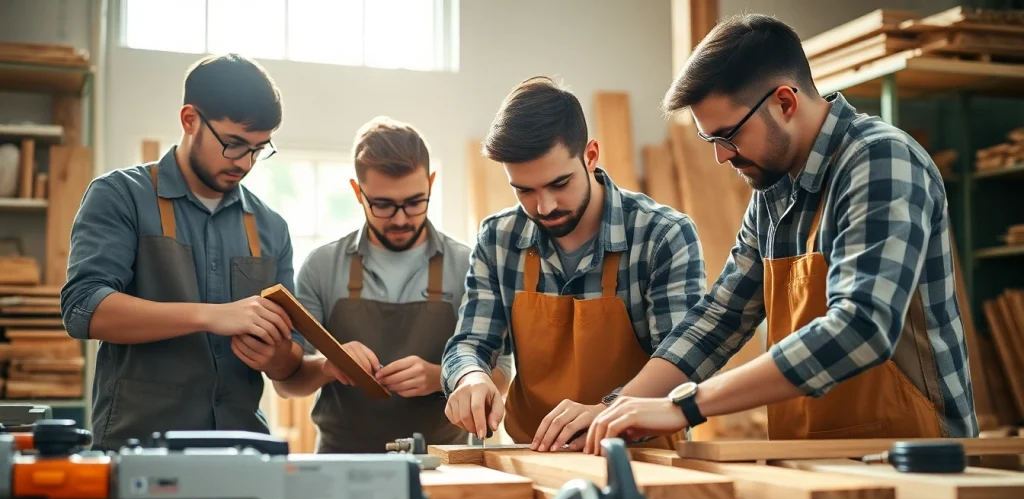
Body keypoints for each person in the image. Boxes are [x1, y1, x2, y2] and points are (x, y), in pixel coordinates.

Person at [582, 14, 979, 454]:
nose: (719, 157)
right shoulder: (774, 190)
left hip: (919, 463)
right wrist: (618, 406)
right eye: (708, 139)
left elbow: (862, 327)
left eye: (728, 135)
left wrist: (685, 406)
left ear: (785, 102)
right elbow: (722, 317)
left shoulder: (879, 160)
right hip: (812, 462)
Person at [440, 76, 706, 452]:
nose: (544, 207)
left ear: (591, 155)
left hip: (645, 458)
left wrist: (608, 411)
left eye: (559, 183)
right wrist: (470, 377)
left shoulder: (662, 236)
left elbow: (682, 362)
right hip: (535, 457)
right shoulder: (497, 239)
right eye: (525, 191)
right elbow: (469, 342)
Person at [61, 54, 304, 452]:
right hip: (138, 453)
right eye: (233, 144)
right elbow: (83, 309)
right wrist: (211, 316)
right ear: (190, 119)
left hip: (244, 454)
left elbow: (290, 364)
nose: (244, 163)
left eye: (259, 149)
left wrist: (276, 355)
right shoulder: (120, 196)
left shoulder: (270, 227)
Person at [271, 116, 513, 453]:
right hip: (342, 465)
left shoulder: (467, 265)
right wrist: (329, 366)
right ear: (358, 192)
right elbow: (290, 383)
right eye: (383, 205)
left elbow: (501, 373)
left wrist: (439, 376)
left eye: (415, 202)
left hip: (446, 467)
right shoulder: (322, 267)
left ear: (431, 183)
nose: (401, 218)